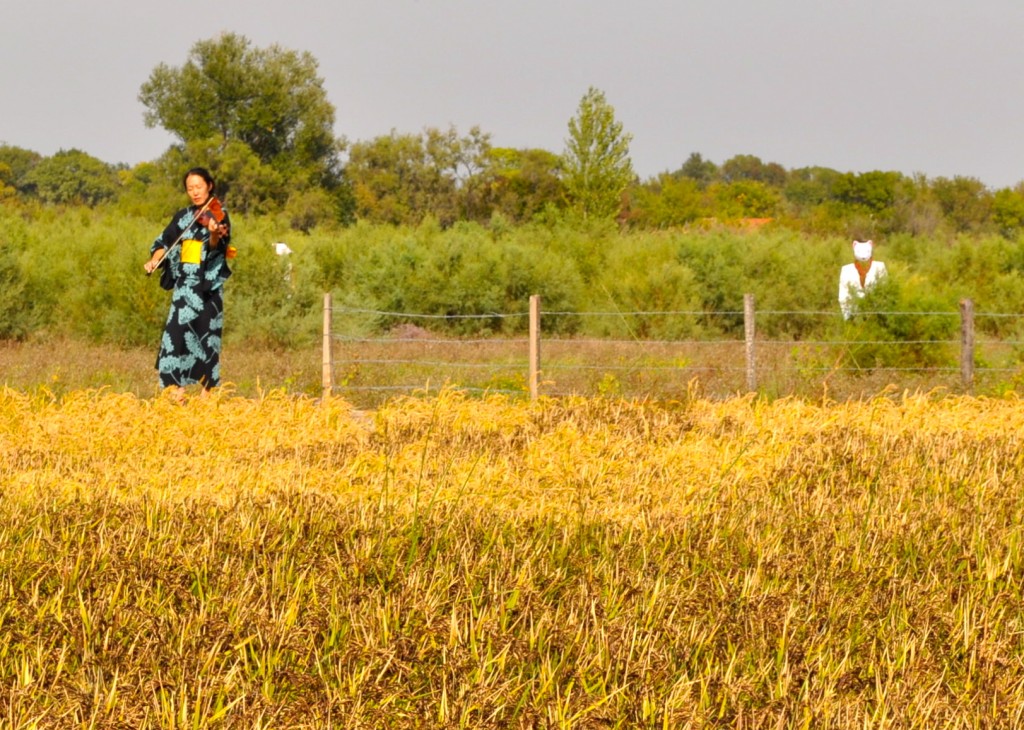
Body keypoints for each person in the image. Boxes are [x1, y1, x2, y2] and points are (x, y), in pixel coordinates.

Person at [143, 167, 233, 394]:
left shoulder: (219, 215)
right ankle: (177, 395)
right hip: (184, 288)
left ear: (209, 186)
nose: (194, 192)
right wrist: (154, 260)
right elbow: (163, 242)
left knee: (207, 342)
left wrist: (213, 233)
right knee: (173, 339)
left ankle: (208, 399)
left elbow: (216, 247)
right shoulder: (182, 217)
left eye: (198, 187)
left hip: (207, 290)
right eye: (190, 188)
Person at [838, 239, 887, 319]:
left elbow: (884, 290)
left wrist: (881, 313)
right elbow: (843, 294)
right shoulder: (846, 270)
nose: (863, 255)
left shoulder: (880, 267)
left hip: (875, 314)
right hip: (853, 314)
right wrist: (847, 315)